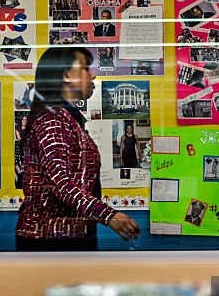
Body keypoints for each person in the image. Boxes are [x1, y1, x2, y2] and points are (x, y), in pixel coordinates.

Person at [15, 47, 140, 251]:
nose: (93, 74)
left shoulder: (67, 118)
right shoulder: (52, 120)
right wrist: (108, 215)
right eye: (84, 68)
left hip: (68, 235)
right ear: (65, 75)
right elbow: (61, 183)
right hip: (49, 240)